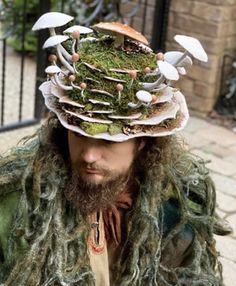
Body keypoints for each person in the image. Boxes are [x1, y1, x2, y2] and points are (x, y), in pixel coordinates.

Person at [0, 12, 231, 286]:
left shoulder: (179, 202)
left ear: (143, 142)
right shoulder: (23, 197)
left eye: (109, 141)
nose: (88, 155)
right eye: (78, 134)